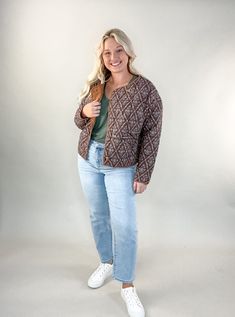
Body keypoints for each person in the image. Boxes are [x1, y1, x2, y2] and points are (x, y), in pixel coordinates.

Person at [74, 28, 163, 317]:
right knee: (98, 215)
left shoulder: (145, 90)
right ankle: (107, 262)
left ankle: (127, 286)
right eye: (107, 52)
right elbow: (79, 119)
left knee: (125, 226)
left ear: (128, 53)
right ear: (102, 57)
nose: (113, 57)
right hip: (88, 158)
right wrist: (84, 112)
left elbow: (152, 133)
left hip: (121, 166)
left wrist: (144, 173)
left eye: (118, 51)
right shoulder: (98, 85)